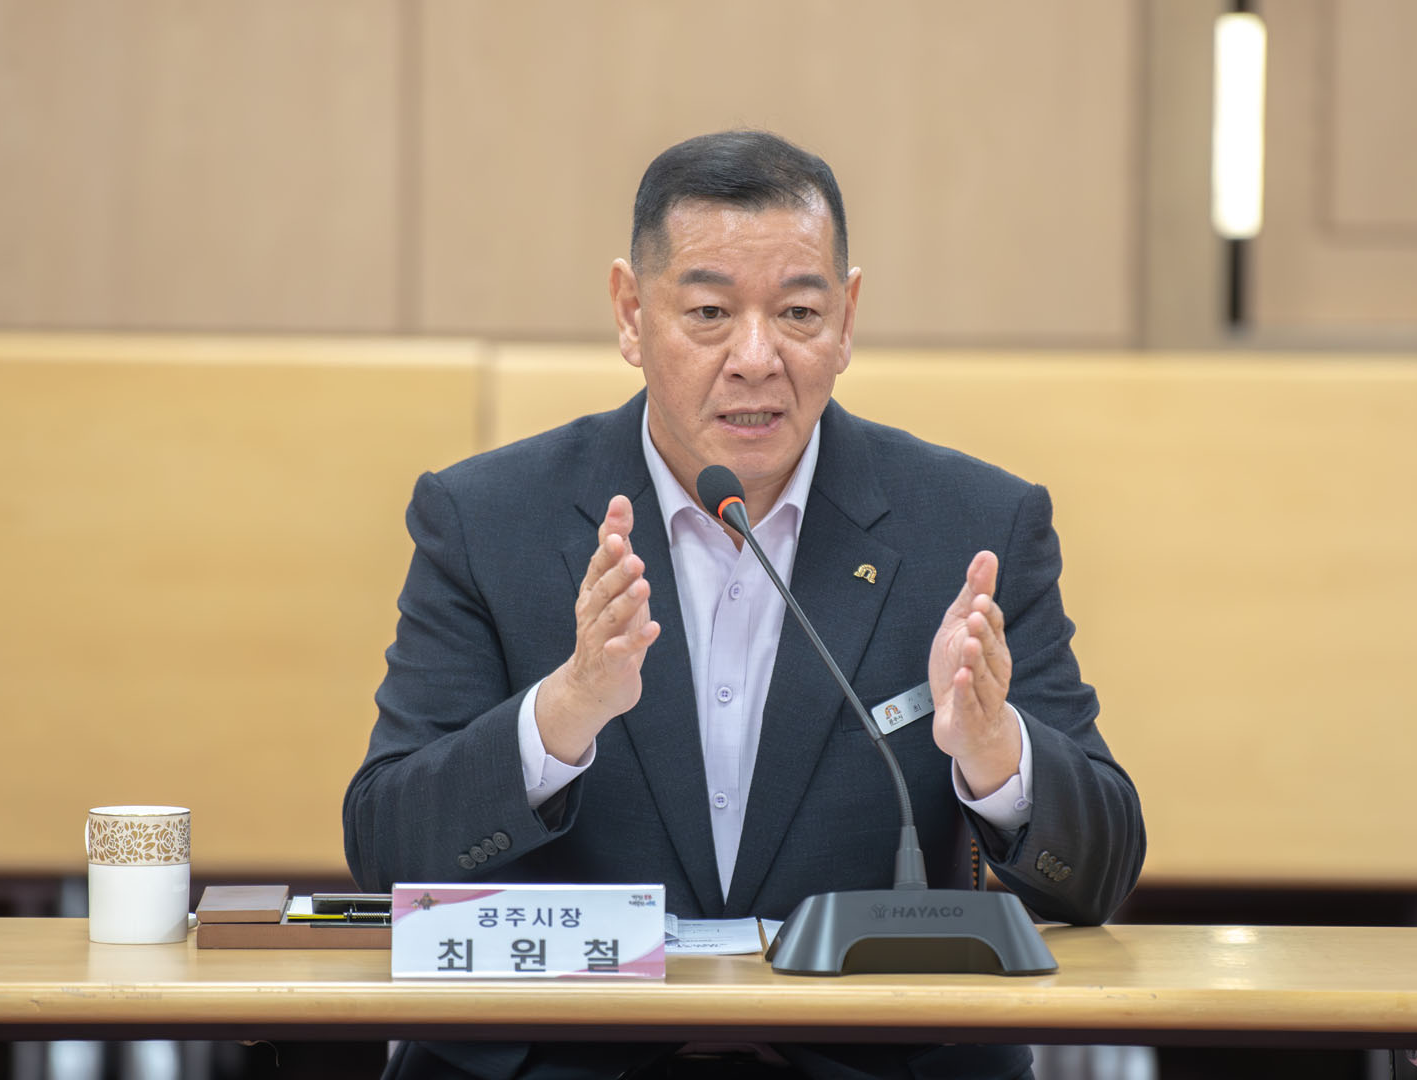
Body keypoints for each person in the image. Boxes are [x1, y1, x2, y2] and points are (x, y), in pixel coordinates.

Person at [344, 131, 1145, 1080]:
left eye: (799, 312)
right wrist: (563, 714)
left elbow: (1099, 878)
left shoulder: (972, 528)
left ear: (846, 320)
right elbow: (385, 848)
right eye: (710, 312)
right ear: (631, 315)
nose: (756, 358)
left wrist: (995, 752)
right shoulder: (487, 519)